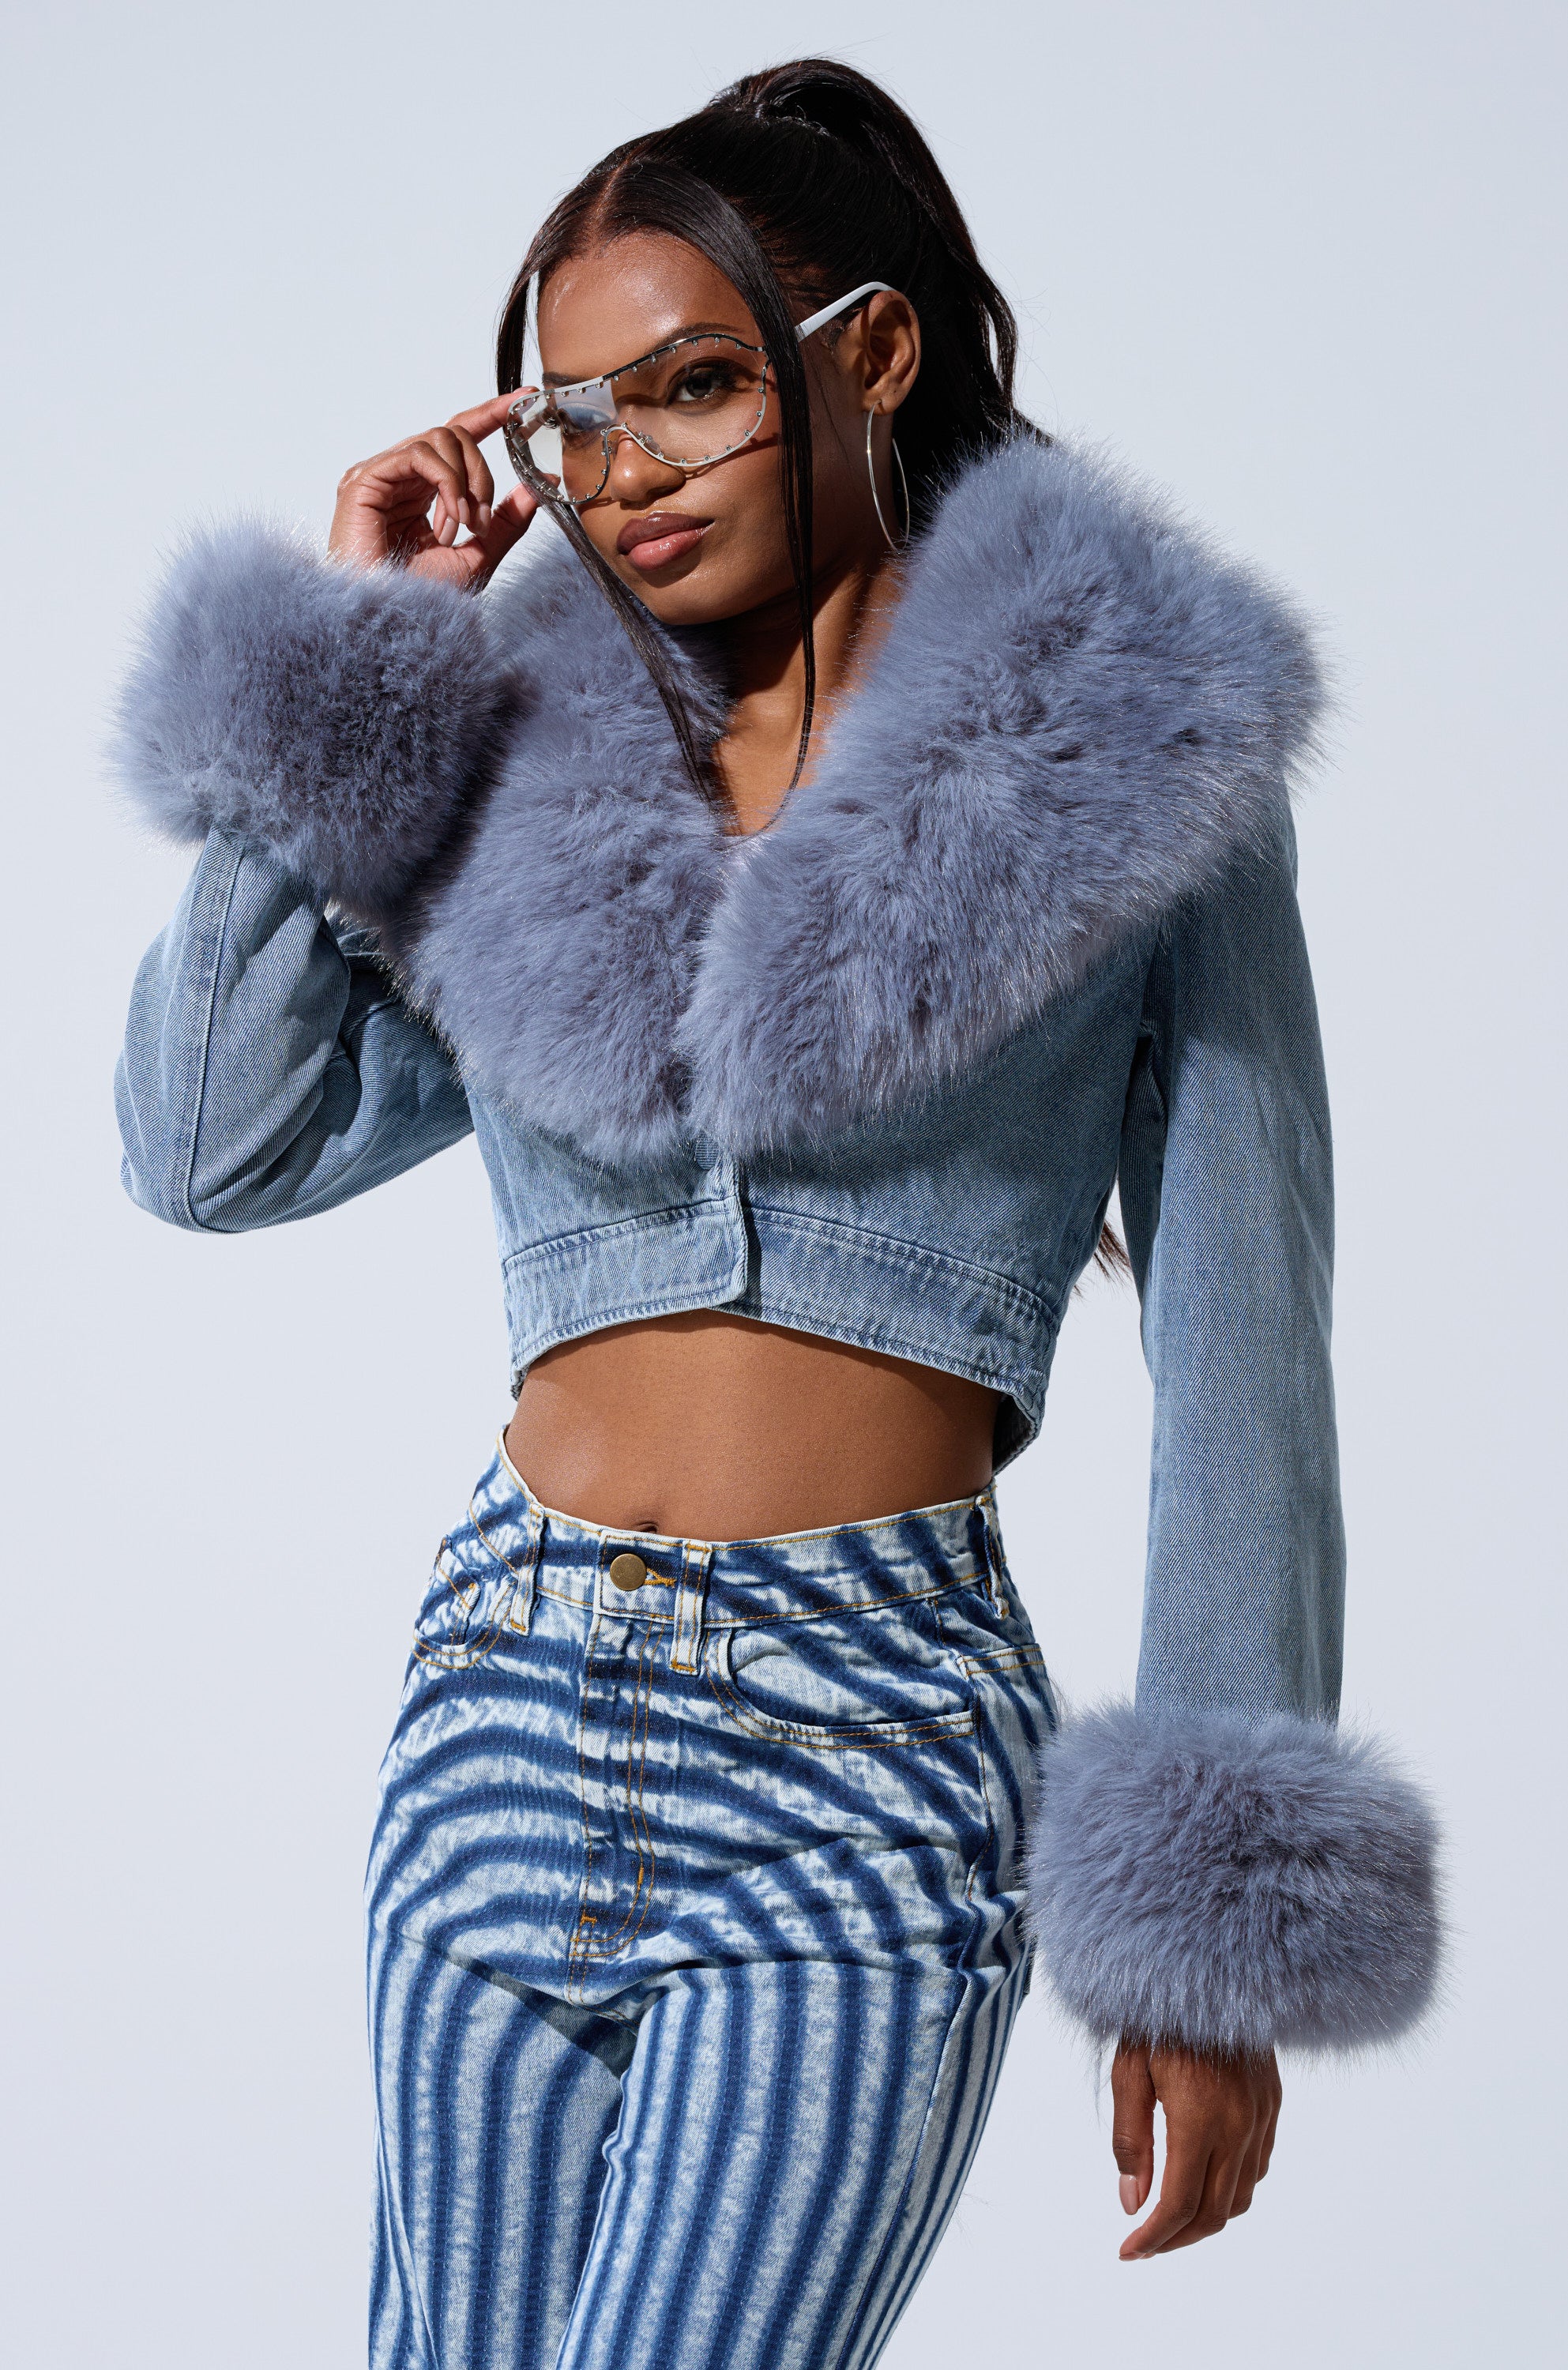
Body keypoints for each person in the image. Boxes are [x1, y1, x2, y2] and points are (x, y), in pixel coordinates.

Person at [112, 55, 1440, 2370]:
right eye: (573, 421)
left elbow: (1246, 1338)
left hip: (865, 1745)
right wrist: (352, 675)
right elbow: (207, 1142)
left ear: (873, 353)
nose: (621, 473)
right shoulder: (516, 750)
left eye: (688, 390)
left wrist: (1206, 1945)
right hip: (499, 1702)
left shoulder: (1140, 748)